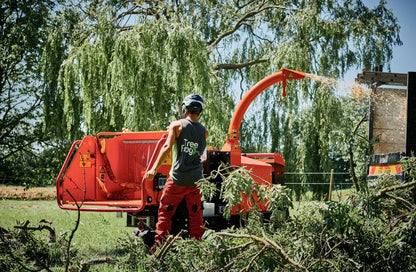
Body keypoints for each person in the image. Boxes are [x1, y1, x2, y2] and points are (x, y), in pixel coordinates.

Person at [145, 93, 208, 249]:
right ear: (200, 111)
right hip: (196, 180)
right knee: (196, 214)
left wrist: (153, 169)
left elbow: (167, 147)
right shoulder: (204, 132)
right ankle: (197, 247)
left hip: (178, 179)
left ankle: (159, 245)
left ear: (185, 109)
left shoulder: (177, 126)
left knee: (165, 211)